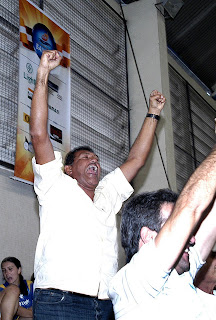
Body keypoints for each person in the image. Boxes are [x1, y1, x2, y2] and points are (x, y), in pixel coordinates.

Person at [29, 50, 166, 320]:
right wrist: (43, 73)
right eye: (84, 157)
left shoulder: (107, 193)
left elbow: (136, 160)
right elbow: (38, 133)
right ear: (68, 168)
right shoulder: (55, 184)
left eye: (96, 157)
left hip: (104, 305)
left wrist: (153, 113)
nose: (94, 160)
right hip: (60, 300)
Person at [109, 87, 216, 319]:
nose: (191, 238)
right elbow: (190, 208)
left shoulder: (181, 275)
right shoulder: (133, 280)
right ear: (148, 237)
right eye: (178, 227)